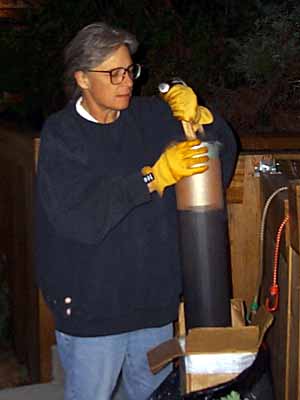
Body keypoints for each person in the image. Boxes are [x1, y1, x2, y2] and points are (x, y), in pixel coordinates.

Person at [35, 22, 237, 400]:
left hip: (152, 305)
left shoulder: (151, 118)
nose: (126, 81)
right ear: (81, 78)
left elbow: (216, 160)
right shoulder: (61, 136)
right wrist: (154, 177)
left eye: (130, 70)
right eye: (113, 73)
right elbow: (80, 219)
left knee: (154, 395)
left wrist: (203, 120)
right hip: (93, 310)